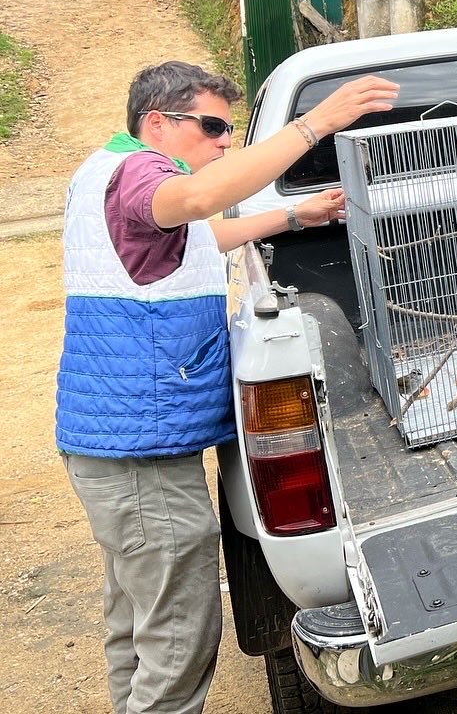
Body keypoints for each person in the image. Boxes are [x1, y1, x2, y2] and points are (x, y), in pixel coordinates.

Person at [57, 60, 398, 714]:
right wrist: (317, 123)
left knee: (138, 619)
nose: (223, 142)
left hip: (121, 449)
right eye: (212, 127)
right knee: (179, 636)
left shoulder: (107, 172)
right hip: (140, 461)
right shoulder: (141, 176)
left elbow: (203, 235)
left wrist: (293, 216)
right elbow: (197, 203)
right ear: (157, 123)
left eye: (229, 129)